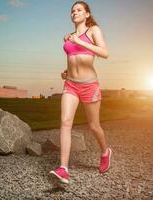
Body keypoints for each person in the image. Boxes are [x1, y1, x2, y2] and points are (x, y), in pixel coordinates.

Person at [49, 1, 112, 184]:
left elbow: (105, 53)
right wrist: (66, 71)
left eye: (79, 10)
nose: (74, 13)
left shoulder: (93, 30)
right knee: (65, 122)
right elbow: (74, 58)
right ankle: (63, 169)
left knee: (93, 125)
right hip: (71, 85)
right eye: (72, 11)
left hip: (89, 85)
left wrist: (80, 42)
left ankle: (105, 152)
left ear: (86, 14)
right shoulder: (68, 37)